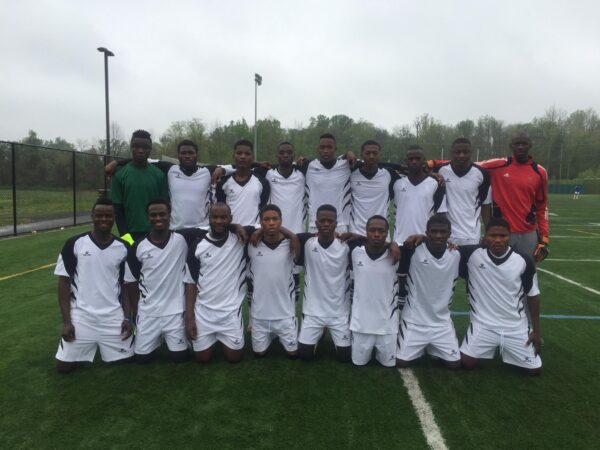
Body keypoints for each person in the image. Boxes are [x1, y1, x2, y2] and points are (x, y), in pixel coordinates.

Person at [54, 198, 133, 373]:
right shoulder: (74, 244)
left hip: (113, 316)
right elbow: (64, 283)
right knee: (63, 367)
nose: (103, 219)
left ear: (114, 217)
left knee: (127, 361)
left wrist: (127, 318)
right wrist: (67, 322)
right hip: (82, 317)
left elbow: (127, 286)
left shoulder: (124, 247)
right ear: (92, 216)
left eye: (108, 216)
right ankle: (80, 347)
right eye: (99, 215)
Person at [459, 218, 542, 375]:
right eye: (493, 235)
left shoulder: (523, 260)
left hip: (515, 326)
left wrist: (536, 332)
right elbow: (442, 247)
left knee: (534, 370)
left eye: (503, 236)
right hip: (483, 324)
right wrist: (421, 238)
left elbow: (533, 296)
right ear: (485, 237)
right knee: (466, 362)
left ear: (509, 237)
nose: (498, 240)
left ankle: (516, 347)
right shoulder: (471, 255)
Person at [183, 203, 253, 363]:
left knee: (234, 358)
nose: (219, 221)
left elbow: (266, 226)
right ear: (209, 218)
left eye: (223, 217)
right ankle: (211, 339)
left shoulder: (241, 239)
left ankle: (220, 339)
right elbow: (191, 283)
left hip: (230, 312)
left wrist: (236, 227)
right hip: (204, 312)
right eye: (214, 217)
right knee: (202, 359)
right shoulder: (198, 245)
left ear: (230, 218)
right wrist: (189, 318)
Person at [123, 199, 190, 363]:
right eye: (153, 215)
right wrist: (135, 311)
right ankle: (155, 339)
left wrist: (234, 227)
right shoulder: (137, 246)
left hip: (175, 312)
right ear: (148, 217)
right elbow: (131, 283)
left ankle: (170, 339)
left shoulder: (182, 239)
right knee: (142, 360)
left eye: (162, 214)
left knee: (179, 357)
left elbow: (213, 228)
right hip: (148, 313)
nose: (158, 218)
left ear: (169, 216)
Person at [107, 139, 223, 230]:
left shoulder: (207, 171)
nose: (187, 156)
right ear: (178, 155)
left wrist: (221, 169)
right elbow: (142, 159)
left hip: (202, 229)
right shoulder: (170, 169)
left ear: (196, 154)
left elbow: (232, 167)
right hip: (176, 230)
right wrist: (116, 163)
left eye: (191, 153)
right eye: (183, 153)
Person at [395, 214, 461, 369]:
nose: (438, 235)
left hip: (441, 323)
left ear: (449, 234)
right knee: (401, 362)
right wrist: (395, 243)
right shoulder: (412, 250)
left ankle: (432, 346)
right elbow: (386, 247)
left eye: (443, 232)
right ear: (427, 232)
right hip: (414, 321)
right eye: (434, 231)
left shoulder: (457, 254)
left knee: (455, 364)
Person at [478, 133, 549, 262]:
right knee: (499, 269)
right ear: (511, 146)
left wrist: (544, 238)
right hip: (501, 232)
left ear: (530, 146)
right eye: (517, 144)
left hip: (528, 233)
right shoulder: (498, 165)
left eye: (524, 144)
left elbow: (541, 208)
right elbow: (467, 165)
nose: (520, 147)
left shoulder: (540, 172)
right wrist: (437, 165)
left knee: (527, 269)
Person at [296, 205, 352, 362]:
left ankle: (326, 331)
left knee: (345, 357)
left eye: (330, 221)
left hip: (339, 312)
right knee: (305, 356)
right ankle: (320, 332)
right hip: (313, 312)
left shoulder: (346, 245)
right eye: (322, 221)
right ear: (316, 223)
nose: (326, 224)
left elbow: (373, 242)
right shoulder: (306, 242)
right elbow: (285, 235)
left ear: (336, 223)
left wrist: (392, 244)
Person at [247, 205, 300, 358]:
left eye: (275, 219)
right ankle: (269, 334)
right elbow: (232, 227)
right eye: (266, 219)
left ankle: (290, 325)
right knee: (259, 354)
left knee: (293, 354)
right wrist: (258, 231)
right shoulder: (250, 243)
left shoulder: (292, 243)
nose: (271, 223)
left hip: (285, 314)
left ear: (281, 221)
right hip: (259, 315)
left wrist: (292, 235)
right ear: (260, 221)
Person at [349, 215, 401, 367]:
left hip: (387, 325)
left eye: (381, 231)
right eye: (372, 230)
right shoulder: (354, 251)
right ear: (366, 232)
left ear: (387, 233)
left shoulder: (397, 254)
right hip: (361, 324)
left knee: (389, 364)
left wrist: (393, 244)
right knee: (358, 363)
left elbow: (425, 241)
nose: (376, 234)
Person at [110, 130, 169, 242]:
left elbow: (165, 206)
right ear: (131, 147)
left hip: (156, 233)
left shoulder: (159, 175)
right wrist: (125, 235)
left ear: (150, 149)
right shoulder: (119, 174)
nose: (141, 150)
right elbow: (117, 208)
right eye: (136, 146)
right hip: (130, 234)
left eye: (145, 147)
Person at [433, 138, 491, 245]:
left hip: (472, 236)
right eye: (458, 152)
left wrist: (488, 233)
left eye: (465, 152)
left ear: (471, 153)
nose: (461, 155)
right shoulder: (440, 170)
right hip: (447, 237)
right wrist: (431, 174)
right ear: (452, 152)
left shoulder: (482, 174)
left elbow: (486, 205)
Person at [297, 133, 356, 233]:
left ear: (335, 149)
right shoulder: (308, 165)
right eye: (322, 147)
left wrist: (348, 154)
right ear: (318, 149)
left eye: (329, 147)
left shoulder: (346, 165)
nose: (326, 151)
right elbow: (284, 165)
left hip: (339, 225)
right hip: (315, 225)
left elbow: (372, 164)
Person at [393, 146, 447, 245]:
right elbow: (380, 166)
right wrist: (400, 167)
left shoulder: (436, 184)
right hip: (399, 242)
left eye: (418, 158)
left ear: (424, 161)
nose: (414, 161)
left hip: (425, 242)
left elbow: (441, 215)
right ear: (406, 161)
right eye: (411, 159)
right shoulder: (396, 182)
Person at [215, 139, 270, 227]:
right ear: (233, 156)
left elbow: (263, 210)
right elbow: (220, 211)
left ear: (252, 157)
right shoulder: (223, 182)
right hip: (230, 232)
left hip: (253, 232)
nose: (243, 156)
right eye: (239, 153)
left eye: (247, 154)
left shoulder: (263, 183)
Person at [349, 140, 399, 235]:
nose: (371, 156)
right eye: (368, 153)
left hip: (381, 233)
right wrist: (349, 153)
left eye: (375, 153)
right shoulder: (351, 173)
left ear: (379, 155)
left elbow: (410, 175)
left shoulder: (389, 174)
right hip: (356, 232)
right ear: (361, 155)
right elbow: (339, 160)